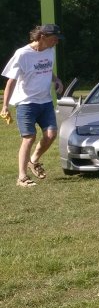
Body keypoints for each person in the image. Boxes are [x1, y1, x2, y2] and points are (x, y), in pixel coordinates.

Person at [1, 24, 65, 187]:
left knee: (51, 135)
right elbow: (11, 81)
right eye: (54, 38)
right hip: (26, 103)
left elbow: (47, 69)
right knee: (29, 138)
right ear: (43, 37)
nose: (57, 42)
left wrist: (56, 80)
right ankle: (22, 177)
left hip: (45, 101)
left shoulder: (50, 51)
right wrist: (5, 106)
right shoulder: (23, 54)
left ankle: (33, 161)